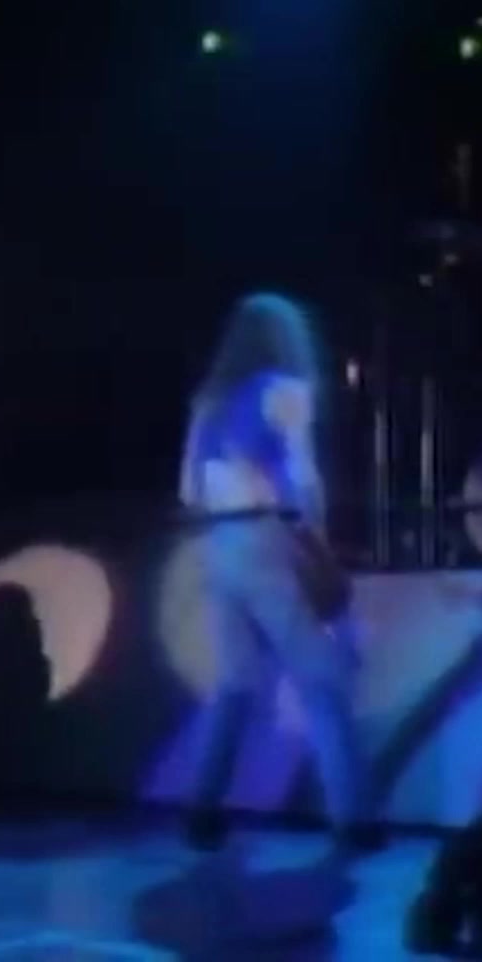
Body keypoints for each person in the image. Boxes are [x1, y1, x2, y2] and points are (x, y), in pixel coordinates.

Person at [177, 293, 382, 854]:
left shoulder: (209, 400)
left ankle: (201, 810)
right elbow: (305, 478)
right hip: (267, 538)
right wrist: (316, 541)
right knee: (321, 677)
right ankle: (354, 819)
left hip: (217, 543)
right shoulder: (286, 389)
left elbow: (189, 490)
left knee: (237, 681)